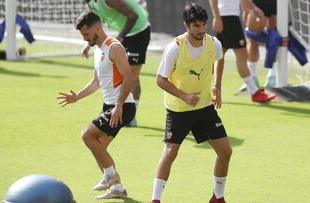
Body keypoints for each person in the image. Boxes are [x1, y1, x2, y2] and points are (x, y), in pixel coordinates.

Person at [151, 3, 232, 203]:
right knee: (171, 152)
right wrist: (184, 96)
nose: (201, 30)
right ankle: (155, 199)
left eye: (204, 24)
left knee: (225, 151)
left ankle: (217, 197)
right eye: (196, 26)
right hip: (179, 109)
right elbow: (160, 80)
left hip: (204, 106)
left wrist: (217, 86)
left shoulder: (214, 43)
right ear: (186, 25)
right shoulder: (174, 48)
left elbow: (219, 59)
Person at [57, 10, 135, 199]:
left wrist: (118, 106)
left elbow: (129, 78)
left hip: (123, 106)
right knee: (98, 147)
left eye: (86, 34)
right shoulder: (98, 49)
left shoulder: (114, 47)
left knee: (87, 135)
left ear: (98, 28)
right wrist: (77, 97)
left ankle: (110, 176)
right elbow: (96, 82)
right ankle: (117, 188)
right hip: (110, 106)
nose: (84, 39)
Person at [83, 0, 151, 127]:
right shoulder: (91, 3)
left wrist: (120, 36)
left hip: (138, 32)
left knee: (132, 76)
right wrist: (88, 44)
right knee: (117, 72)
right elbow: (94, 26)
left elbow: (133, 16)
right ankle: (113, 109)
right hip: (125, 33)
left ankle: (131, 115)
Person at [209, 0, 276, 102]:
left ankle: (212, 88)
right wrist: (216, 17)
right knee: (241, 55)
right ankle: (254, 92)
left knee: (219, 55)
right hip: (229, 19)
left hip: (229, 18)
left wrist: (254, 8)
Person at [245, 0, 277, 87]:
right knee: (274, 38)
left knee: (252, 39)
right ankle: (272, 76)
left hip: (259, 3)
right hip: (276, 4)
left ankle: (253, 77)